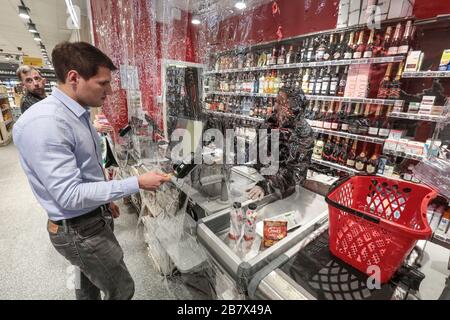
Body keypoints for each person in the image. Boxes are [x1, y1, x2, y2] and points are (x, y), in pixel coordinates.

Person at [13, 41, 170, 300]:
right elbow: (69, 195)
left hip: (88, 219)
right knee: (122, 289)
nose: (109, 91)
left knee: (87, 288)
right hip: (78, 230)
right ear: (74, 77)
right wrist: (136, 183)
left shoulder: (78, 113)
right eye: (103, 83)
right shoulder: (46, 123)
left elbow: (84, 171)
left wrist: (104, 202)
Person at [246, 87, 315, 200]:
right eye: (276, 101)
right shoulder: (271, 121)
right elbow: (257, 150)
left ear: (295, 107)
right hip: (259, 181)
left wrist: (266, 185)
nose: (276, 107)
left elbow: (295, 174)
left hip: (283, 192)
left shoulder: (303, 132)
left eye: (281, 103)